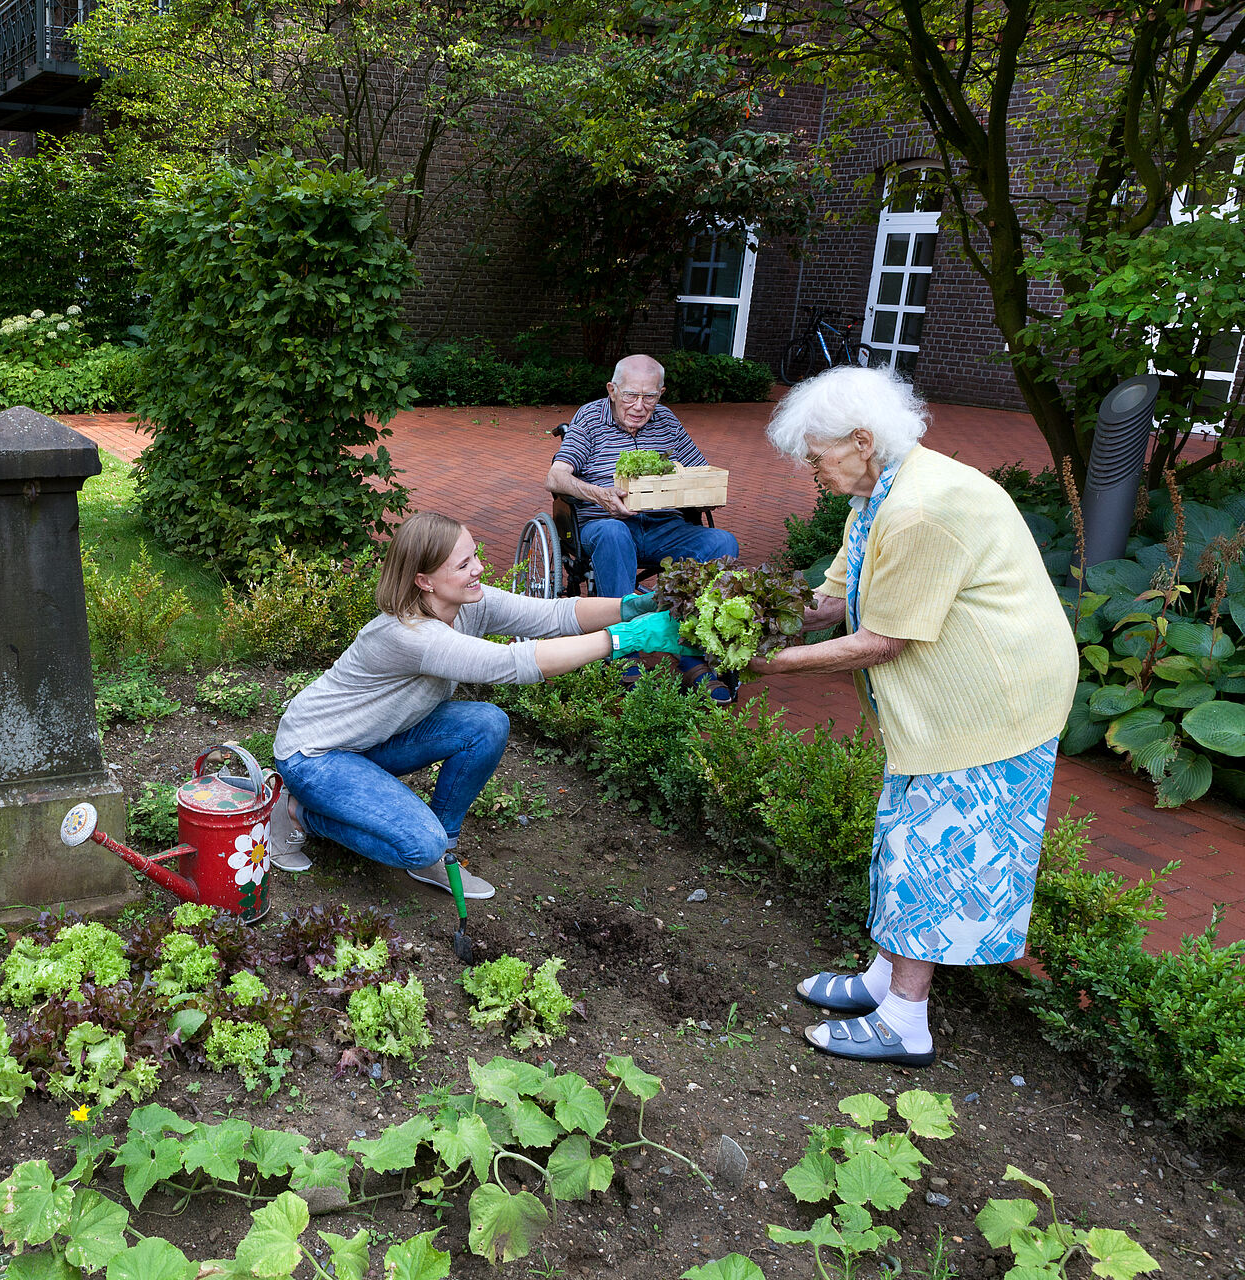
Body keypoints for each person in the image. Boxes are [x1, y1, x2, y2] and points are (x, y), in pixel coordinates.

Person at [750, 365, 1075, 1068]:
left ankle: (906, 1020)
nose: (810, 468)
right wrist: (743, 620)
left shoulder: (921, 508)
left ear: (863, 440)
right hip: (954, 698)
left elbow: (883, 640)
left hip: (993, 701)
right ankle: (883, 979)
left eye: (817, 453)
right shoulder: (879, 495)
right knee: (905, 838)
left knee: (932, 853)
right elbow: (831, 600)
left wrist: (763, 666)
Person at [269, 511, 696, 899]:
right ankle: (299, 811)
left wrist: (629, 606)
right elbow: (513, 664)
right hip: (315, 755)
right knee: (419, 843)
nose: (478, 570)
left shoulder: (467, 603)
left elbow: (554, 615)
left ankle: (440, 856)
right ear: (424, 581)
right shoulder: (412, 635)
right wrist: (624, 640)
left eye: (474, 556)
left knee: (486, 724)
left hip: (372, 741)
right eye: (463, 565)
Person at [545, 353, 740, 697]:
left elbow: (697, 471)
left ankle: (691, 651)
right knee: (614, 532)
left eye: (649, 396)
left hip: (663, 525)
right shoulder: (590, 418)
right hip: (603, 524)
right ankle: (622, 650)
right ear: (612, 390)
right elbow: (556, 478)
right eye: (631, 395)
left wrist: (702, 490)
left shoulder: (666, 422)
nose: (639, 405)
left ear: (661, 393)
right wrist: (601, 495)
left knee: (721, 543)